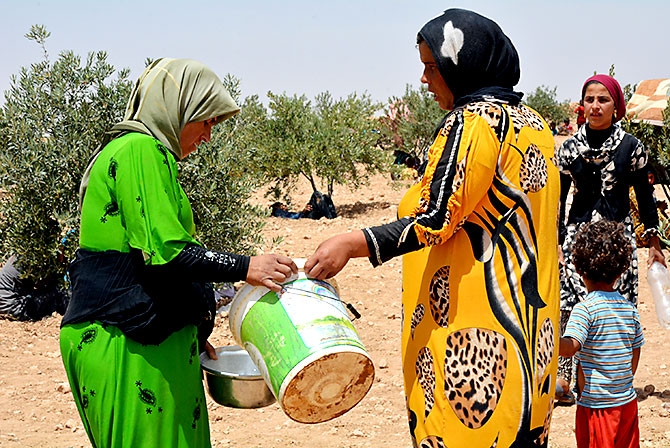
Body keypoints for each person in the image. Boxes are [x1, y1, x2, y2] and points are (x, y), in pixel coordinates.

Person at [305, 8, 560, 447]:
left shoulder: (475, 122)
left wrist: (351, 241)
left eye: (430, 66)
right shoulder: (534, 124)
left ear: (460, 64)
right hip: (530, 319)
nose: (425, 79)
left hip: (475, 332)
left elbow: (436, 218)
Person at [59, 58, 298, 448]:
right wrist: (246, 267)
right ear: (177, 107)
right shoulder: (140, 149)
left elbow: (151, 260)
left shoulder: (152, 156)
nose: (208, 135)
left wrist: (186, 320)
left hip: (152, 338)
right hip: (126, 342)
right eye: (205, 121)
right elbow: (167, 253)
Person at [555, 74, 665, 404]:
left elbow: (645, 197)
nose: (595, 106)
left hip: (620, 242)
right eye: (589, 99)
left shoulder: (631, 147)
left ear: (615, 106)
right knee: (571, 306)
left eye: (603, 100)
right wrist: (555, 243)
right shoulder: (570, 149)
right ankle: (564, 378)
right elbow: (557, 202)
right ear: (581, 105)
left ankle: (607, 380)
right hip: (579, 241)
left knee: (619, 310)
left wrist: (654, 244)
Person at [559, 220, 643, 448]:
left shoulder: (585, 309)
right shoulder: (629, 308)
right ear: (622, 268)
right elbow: (635, 350)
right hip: (627, 403)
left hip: (597, 407)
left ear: (578, 268)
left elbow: (570, 347)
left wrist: (545, 338)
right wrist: (622, 383)